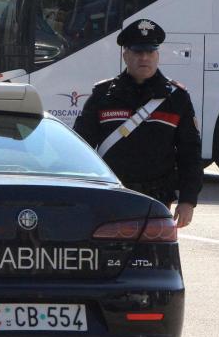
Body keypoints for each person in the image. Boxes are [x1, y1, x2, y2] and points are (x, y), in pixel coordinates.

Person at [74, 19, 202, 227]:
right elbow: (81, 148)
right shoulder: (103, 95)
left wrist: (188, 200)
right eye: (137, 52)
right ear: (125, 56)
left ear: (157, 55)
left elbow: (190, 153)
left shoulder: (176, 98)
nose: (144, 58)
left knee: (155, 257)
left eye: (150, 52)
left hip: (158, 199)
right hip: (113, 196)